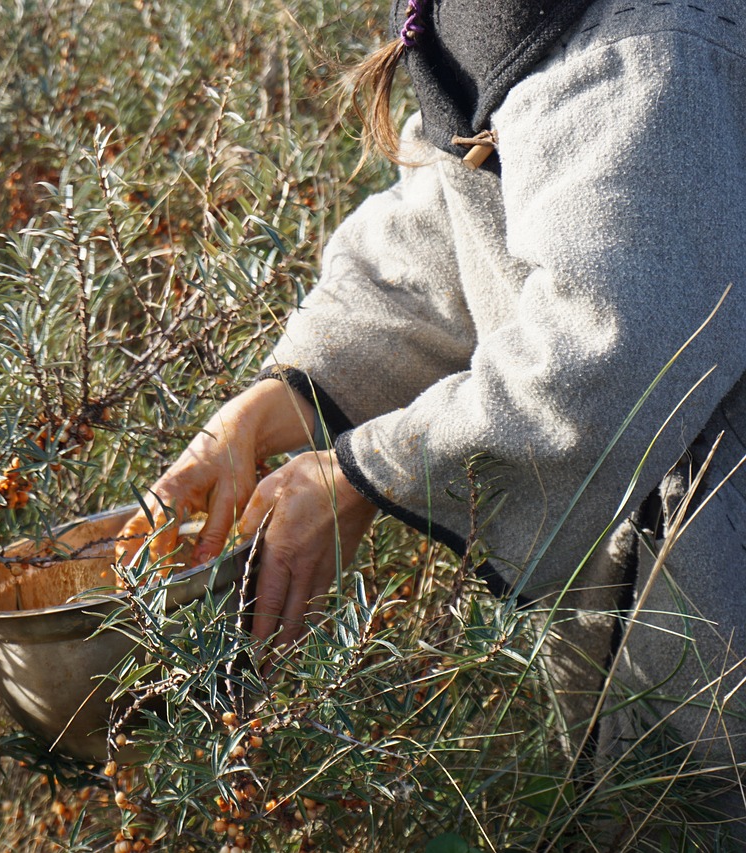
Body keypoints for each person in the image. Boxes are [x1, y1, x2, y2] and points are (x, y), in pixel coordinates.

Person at [117, 0, 746, 839]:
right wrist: (293, 396)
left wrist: (367, 474)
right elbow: (454, 225)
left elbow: (611, 344)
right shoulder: (488, 15)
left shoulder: (657, 43)